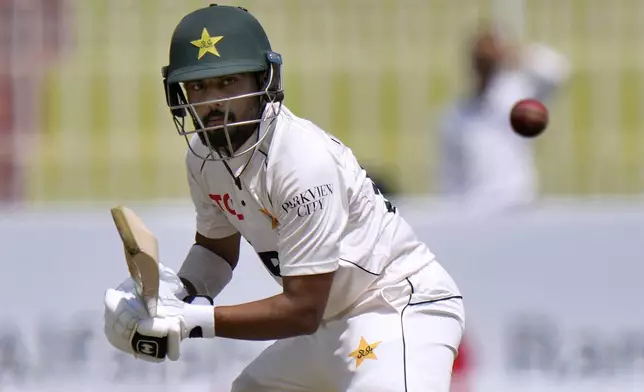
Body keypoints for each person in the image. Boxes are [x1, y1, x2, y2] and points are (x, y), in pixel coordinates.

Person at [103, 5, 464, 391]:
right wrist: (175, 293)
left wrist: (189, 320)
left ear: (264, 80)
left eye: (229, 82)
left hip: (395, 308)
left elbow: (301, 309)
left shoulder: (302, 161)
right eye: (198, 86)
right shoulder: (202, 158)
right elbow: (216, 252)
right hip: (330, 321)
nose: (213, 103)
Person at [437, 24, 570, 214]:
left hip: (519, 206)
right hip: (477, 213)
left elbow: (557, 71)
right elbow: (450, 179)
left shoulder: (515, 97)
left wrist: (517, 54)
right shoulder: (457, 117)